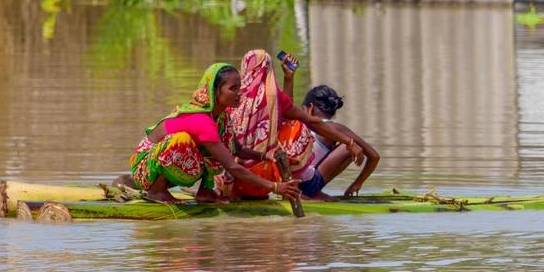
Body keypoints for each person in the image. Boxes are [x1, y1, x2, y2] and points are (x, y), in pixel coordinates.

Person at [116, 62, 301, 206]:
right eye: (232, 88)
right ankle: (156, 190)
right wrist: (275, 187)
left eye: (240, 88)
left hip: (165, 163)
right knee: (181, 141)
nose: (239, 94)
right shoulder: (201, 120)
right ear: (215, 91)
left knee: (220, 147)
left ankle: (206, 191)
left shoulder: (221, 117)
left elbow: (236, 149)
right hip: (146, 167)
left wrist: (264, 156)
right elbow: (232, 166)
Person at [227, 49, 355, 200]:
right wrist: (348, 141)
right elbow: (306, 120)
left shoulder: (231, 97)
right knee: (296, 125)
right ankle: (293, 192)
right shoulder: (272, 96)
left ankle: (212, 190)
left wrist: (289, 78)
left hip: (231, 181)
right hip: (263, 179)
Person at [291, 84, 380, 200]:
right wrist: (357, 184)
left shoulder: (300, 125)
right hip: (308, 185)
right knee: (349, 146)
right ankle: (312, 194)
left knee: (350, 145)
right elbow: (374, 156)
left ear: (311, 108)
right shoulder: (337, 128)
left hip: (291, 181)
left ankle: (309, 193)